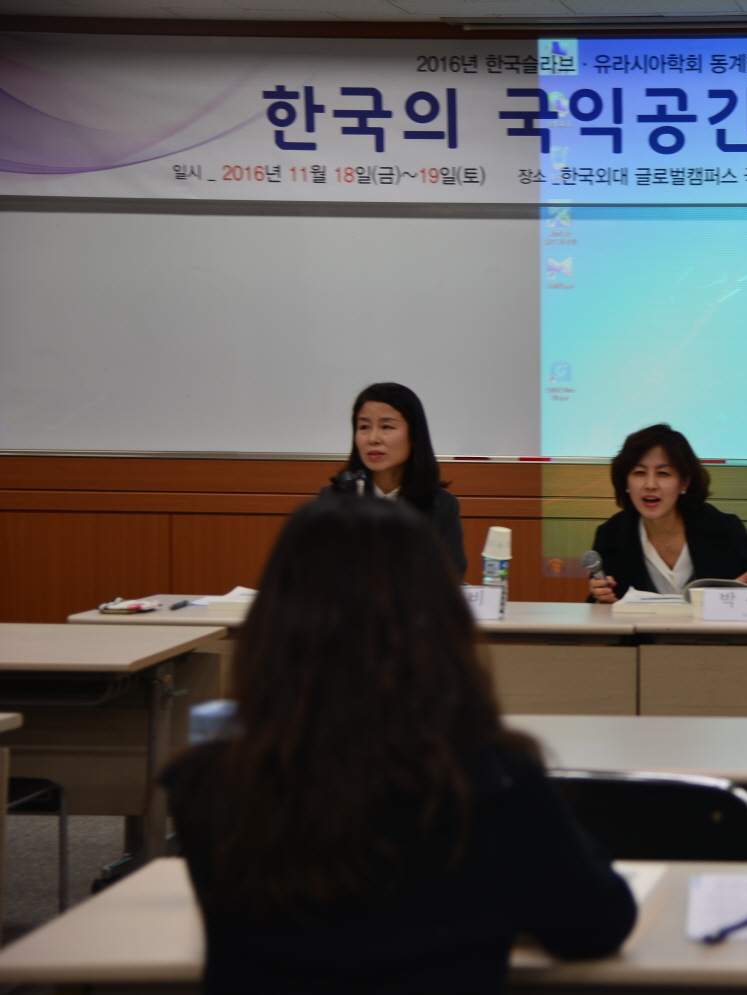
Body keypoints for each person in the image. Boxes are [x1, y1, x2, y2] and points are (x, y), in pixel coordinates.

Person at [162, 497, 636, 995]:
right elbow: (596, 925)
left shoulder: (204, 783)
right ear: (438, 620)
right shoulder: (494, 781)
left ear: (274, 620)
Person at [587, 424, 747, 602]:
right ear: (626, 481)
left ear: (684, 482)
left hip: (712, 631)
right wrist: (600, 597)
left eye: (663, 473)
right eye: (639, 473)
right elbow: (602, 607)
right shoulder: (612, 535)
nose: (650, 485)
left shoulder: (723, 529)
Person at [321, 382, 467, 575]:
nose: (373, 438)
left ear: (413, 436)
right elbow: (315, 573)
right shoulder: (334, 499)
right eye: (364, 426)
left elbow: (451, 577)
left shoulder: (441, 506)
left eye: (386, 426)